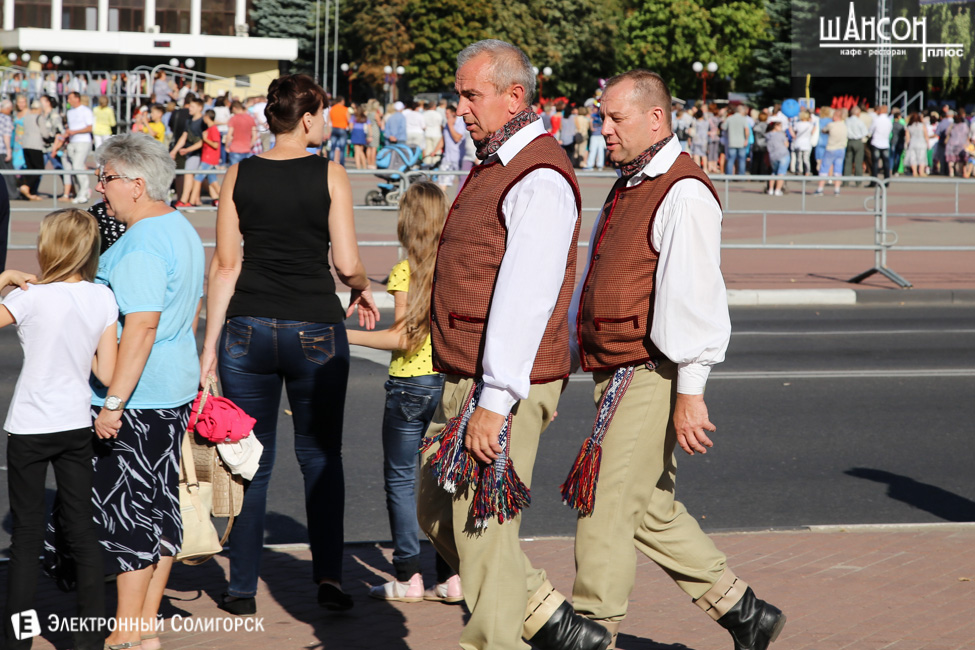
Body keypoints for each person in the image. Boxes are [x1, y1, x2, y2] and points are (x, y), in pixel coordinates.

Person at [566, 68, 785, 650]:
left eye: (616, 118)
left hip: (648, 371)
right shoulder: (633, 181)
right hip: (619, 368)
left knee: (606, 505)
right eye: (601, 117)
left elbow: (694, 299)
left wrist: (690, 393)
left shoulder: (682, 189)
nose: (604, 129)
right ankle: (746, 613)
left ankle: (594, 629)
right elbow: (603, 280)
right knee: (649, 508)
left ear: (655, 118)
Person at [416, 39, 608, 650]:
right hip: (467, 373)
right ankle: (550, 619)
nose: (461, 110)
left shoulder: (540, 173)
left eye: (472, 96)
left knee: (481, 532)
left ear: (514, 96)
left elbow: (526, 296)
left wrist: (495, 400)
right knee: (436, 509)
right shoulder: (498, 160)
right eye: (460, 96)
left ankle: (499, 638)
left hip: (499, 384)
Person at [200, 73, 379, 616]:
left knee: (249, 459)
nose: (322, 122)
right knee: (320, 455)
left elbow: (226, 264)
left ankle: (241, 587)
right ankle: (328, 577)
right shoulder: (330, 173)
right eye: (320, 114)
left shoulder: (238, 173)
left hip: (246, 327)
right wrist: (362, 287)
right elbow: (345, 262)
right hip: (314, 329)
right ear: (306, 119)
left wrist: (209, 345)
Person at [85, 133, 205, 650]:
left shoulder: (139, 244)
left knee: (129, 512)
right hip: (171, 386)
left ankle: (125, 629)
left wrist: (113, 400)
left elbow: (140, 328)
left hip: (139, 397)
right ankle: (145, 623)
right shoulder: (179, 227)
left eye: (106, 177)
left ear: (136, 184)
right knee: (159, 505)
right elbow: (186, 311)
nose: (99, 187)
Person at [1, 210, 117, 650]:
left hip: (30, 425)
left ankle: (19, 640)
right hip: (75, 423)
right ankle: (89, 640)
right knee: (81, 530)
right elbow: (106, 372)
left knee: (28, 536)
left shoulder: (30, 297)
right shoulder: (102, 298)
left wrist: (5, 277)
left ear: (49, 245)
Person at [346, 181, 463, 604]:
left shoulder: (405, 270)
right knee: (444, 480)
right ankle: (451, 576)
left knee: (400, 478)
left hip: (409, 385)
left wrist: (350, 338)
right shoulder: (457, 267)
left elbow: (403, 338)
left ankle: (408, 575)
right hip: (447, 383)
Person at [64, 91, 95, 204]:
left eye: (70, 98)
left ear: (77, 98)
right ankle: (83, 191)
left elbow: (90, 128)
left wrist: (75, 131)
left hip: (83, 141)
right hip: (72, 142)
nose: (68, 101)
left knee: (78, 166)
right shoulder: (70, 112)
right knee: (76, 167)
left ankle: (84, 192)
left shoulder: (86, 111)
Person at [189, 109, 222, 206]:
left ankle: (191, 202)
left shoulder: (213, 129)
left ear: (207, 117)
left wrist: (206, 139)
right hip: (208, 158)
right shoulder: (209, 129)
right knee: (213, 182)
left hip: (209, 159)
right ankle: (221, 200)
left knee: (197, 179)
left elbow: (216, 145)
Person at [16, 99, 44, 201]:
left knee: (30, 168)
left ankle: (30, 192)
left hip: (25, 145)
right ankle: (26, 186)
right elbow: (44, 133)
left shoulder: (26, 117)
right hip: (35, 145)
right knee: (39, 168)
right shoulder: (39, 117)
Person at [815, 108, 847, 196]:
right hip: (841, 149)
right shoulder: (844, 125)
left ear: (836, 116)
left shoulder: (831, 125)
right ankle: (837, 190)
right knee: (838, 170)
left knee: (824, 169)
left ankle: (820, 189)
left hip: (831, 148)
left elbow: (823, 130)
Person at [435, 104, 465, 190]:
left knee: (462, 182)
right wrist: (435, 151)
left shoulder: (460, 123)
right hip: (447, 157)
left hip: (459, 157)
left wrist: (451, 126)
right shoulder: (447, 124)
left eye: (447, 113)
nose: (446, 115)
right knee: (442, 181)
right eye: (445, 113)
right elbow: (443, 139)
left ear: (454, 113)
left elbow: (457, 138)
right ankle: (443, 202)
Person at [225, 100, 257, 165]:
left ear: (234, 108)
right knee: (245, 172)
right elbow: (254, 136)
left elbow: (229, 135)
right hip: (247, 149)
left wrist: (227, 146)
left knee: (234, 172)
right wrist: (250, 145)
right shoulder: (250, 118)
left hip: (235, 149)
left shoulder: (233, 118)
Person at [722, 103, 751, 175]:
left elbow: (723, 127)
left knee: (730, 160)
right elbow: (747, 131)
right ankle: (741, 176)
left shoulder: (730, 118)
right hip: (741, 142)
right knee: (741, 160)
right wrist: (746, 140)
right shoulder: (743, 119)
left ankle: (729, 176)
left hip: (732, 142)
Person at [844, 106, 868, 186]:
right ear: (858, 113)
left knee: (848, 162)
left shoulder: (847, 121)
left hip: (849, 141)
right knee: (858, 162)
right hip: (858, 141)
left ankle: (845, 182)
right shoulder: (859, 122)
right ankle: (858, 182)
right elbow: (865, 133)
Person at [0, 99, 19, 197]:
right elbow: (6, 135)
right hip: (2, 149)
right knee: (8, 175)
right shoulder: (6, 118)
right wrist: (8, 150)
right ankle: (12, 194)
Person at [766, 120, 790, 195]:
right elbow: (786, 144)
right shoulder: (781, 134)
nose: (781, 128)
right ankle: (777, 190)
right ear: (775, 126)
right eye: (780, 126)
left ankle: (770, 189)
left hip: (773, 156)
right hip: (783, 154)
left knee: (774, 173)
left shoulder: (767, 135)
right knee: (781, 173)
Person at [868, 105, 892, 179]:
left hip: (876, 142)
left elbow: (870, 130)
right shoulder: (889, 121)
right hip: (885, 143)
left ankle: (874, 180)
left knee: (875, 163)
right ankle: (886, 180)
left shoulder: (876, 120)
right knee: (886, 163)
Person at [903, 112, 928, 177]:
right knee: (922, 157)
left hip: (913, 143)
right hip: (922, 143)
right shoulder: (922, 125)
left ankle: (914, 172)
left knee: (913, 158)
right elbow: (926, 135)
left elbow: (907, 138)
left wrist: (906, 145)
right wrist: (928, 143)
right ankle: (921, 172)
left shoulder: (909, 126)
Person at [328, 96, 350, 164]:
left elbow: (329, 120)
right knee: (342, 148)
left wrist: (329, 130)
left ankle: (331, 162)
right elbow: (349, 120)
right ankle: (342, 164)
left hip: (334, 128)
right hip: (342, 129)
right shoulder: (345, 109)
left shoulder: (332, 108)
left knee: (333, 147)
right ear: (342, 101)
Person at [585, 102, 606, 170]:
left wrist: (592, 128)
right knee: (596, 150)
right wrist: (592, 128)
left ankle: (595, 165)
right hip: (596, 135)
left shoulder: (598, 115)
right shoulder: (596, 115)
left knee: (598, 150)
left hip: (598, 135)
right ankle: (593, 165)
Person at [350, 105, 371, 169]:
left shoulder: (353, 117)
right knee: (361, 151)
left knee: (357, 151)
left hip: (356, 132)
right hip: (362, 133)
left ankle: (358, 167)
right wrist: (370, 136)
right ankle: (364, 166)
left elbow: (350, 126)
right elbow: (369, 127)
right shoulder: (365, 117)